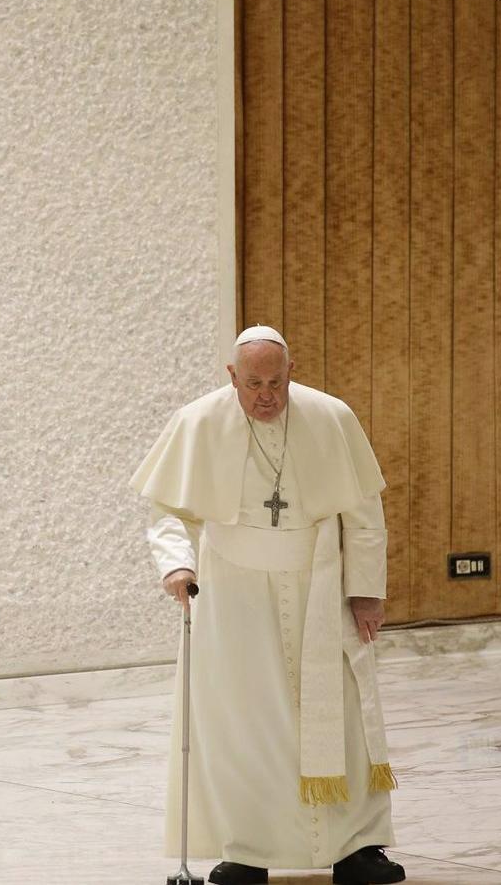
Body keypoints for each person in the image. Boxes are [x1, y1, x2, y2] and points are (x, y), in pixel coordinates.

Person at [131, 326, 406, 885]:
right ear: (231, 376)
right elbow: (167, 512)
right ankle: (246, 850)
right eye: (253, 383)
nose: (266, 396)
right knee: (242, 722)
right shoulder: (197, 423)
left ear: (291, 371)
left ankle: (357, 849)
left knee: (344, 716)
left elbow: (363, 512)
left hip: (321, 584)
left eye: (276, 382)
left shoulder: (330, 417)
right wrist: (177, 564)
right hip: (234, 594)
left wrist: (367, 590)